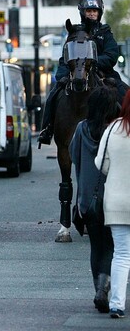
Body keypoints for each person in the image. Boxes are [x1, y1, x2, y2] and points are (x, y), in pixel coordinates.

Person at [39, 0, 129, 145]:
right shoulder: (75, 32)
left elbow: (112, 55)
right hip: (75, 73)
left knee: (125, 93)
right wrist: (62, 75)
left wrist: (93, 62)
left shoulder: (105, 32)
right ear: (83, 12)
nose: (92, 14)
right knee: (53, 95)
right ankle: (47, 129)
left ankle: (125, 128)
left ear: (100, 13)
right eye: (89, 11)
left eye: (95, 11)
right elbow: (65, 57)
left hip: (102, 73)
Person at [70, 86, 118, 313]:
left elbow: (73, 155)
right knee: (111, 246)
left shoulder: (81, 129)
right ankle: (104, 287)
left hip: (86, 199)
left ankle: (97, 289)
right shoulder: (116, 131)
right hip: (112, 196)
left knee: (96, 247)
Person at [95, 89, 130, 319]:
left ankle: (117, 304)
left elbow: (101, 164)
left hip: (116, 200)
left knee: (121, 253)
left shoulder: (112, 128)